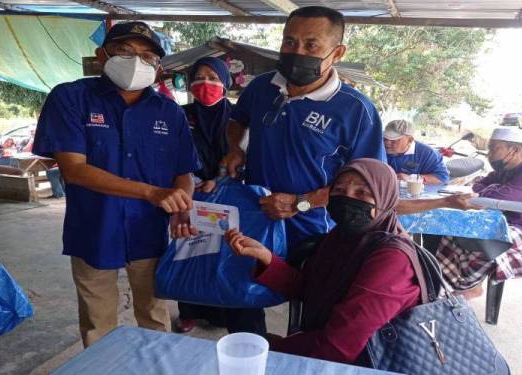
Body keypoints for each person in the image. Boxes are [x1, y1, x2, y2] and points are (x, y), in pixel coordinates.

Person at [32, 21, 200, 347]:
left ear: (158, 66)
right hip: (94, 228)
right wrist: (151, 192)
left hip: (150, 233)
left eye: (148, 55)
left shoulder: (169, 112)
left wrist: (183, 204)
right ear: (102, 54)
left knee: (154, 314)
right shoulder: (71, 98)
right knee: (98, 325)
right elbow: (75, 171)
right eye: (125, 51)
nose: (137, 61)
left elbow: (184, 171)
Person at [225, 158, 422, 365]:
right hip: (329, 350)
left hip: (369, 362)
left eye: (362, 193)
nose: (347, 199)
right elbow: (309, 288)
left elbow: (340, 346)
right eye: (339, 190)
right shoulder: (340, 237)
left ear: (385, 199)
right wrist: (266, 257)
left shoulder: (392, 259)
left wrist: (273, 349)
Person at [222, 6, 386, 250]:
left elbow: (372, 185)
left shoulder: (357, 110)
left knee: (300, 287)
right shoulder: (261, 87)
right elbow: (237, 120)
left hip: (314, 233)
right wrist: (235, 148)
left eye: (311, 45)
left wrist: (300, 203)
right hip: (254, 221)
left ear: (337, 53)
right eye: (290, 42)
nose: (297, 52)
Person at [436, 128, 522, 299]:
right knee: (455, 228)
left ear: (514, 150)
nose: (488, 154)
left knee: (489, 236)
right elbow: (478, 186)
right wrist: (494, 189)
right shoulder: (506, 170)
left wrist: (494, 190)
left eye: (493, 149)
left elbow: (495, 196)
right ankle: (444, 284)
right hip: (516, 226)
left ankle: (469, 287)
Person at [174, 57, 232, 333]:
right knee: (188, 252)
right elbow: (170, 153)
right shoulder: (179, 115)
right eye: (199, 76)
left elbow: (247, 156)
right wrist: (192, 180)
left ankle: (220, 313)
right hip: (189, 195)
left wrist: (218, 181)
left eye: (213, 77)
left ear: (225, 83)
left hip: (228, 195)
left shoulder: (237, 119)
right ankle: (188, 312)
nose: (205, 82)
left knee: (223, 255)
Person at [384, 119, 449, 185]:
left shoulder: (428, 153)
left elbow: (442, 178)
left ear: (410, 140)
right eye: (385, 138)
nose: (387, 143)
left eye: (394, 140)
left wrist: (411, 178)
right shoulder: (378, 147)